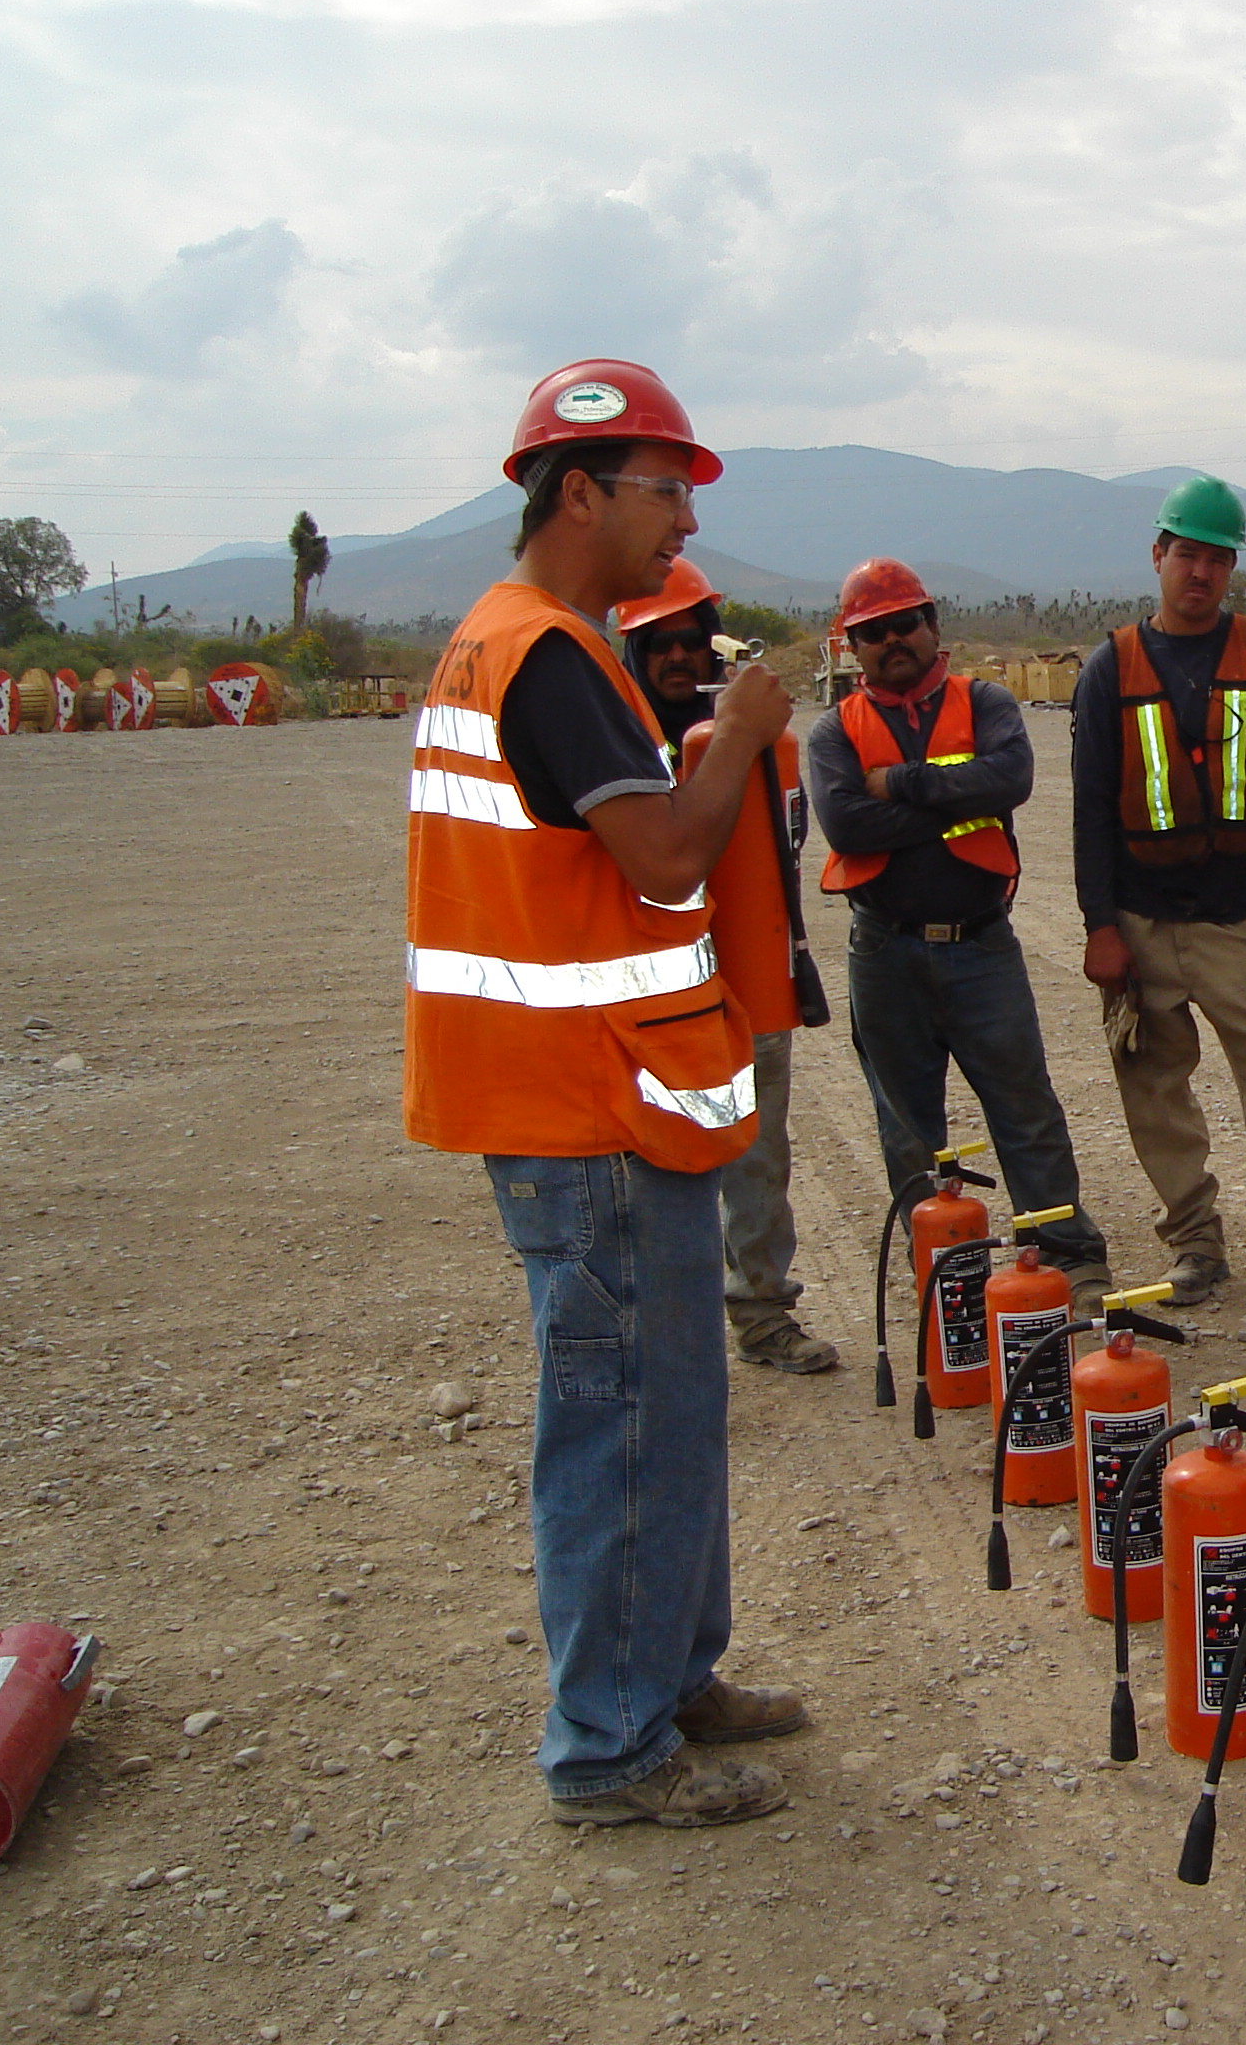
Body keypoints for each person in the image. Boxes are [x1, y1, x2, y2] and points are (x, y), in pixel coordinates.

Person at [403, 358, 805, 1829]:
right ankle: (609, 1748)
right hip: (584, 1111)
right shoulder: (549, 657)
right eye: (665, 488)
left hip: (600, 1101)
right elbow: (665, 860)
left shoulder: (507, 646)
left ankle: (671, 1676)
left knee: (671, 1403)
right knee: (621, 1423)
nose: (684, 521)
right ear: (579, 491)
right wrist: (744, 739)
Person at [1070, 475, 1246, 1314]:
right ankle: (1194, 1241)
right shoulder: (1108, 668)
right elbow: (1089, 806)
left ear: (1232, 569)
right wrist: (1100, 926)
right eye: (1187, 553)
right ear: (1159, 554)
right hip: (1143, 921)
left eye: (1217, 558)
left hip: (1239, 919)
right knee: (1154, 1087)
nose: (1201, 572)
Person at [804, 557, 1112, 1302]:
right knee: (906, 1124)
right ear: (853, 646)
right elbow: (845, 821)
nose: (891, 640)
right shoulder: (831, 732)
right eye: (872, 632)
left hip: (980, 945)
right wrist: (951, 798)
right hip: (884, 948)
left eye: (903, 623)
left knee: (1023, 1104)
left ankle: (1067, 1248)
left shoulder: (988, 701)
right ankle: (940, 1267)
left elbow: (1010, 779)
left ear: (932, 625)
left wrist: (902, 787)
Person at [616, 556, 837, 1376]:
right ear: (632, 653)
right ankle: (659, 1338)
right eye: (658, 643)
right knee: (647, 1171)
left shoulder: (755, 745)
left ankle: (762, 1311)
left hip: (746, 979)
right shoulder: (617, 739)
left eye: (690, 641)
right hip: (640, 992)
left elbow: (788, 842)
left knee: (755, 1156)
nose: (677, 657)